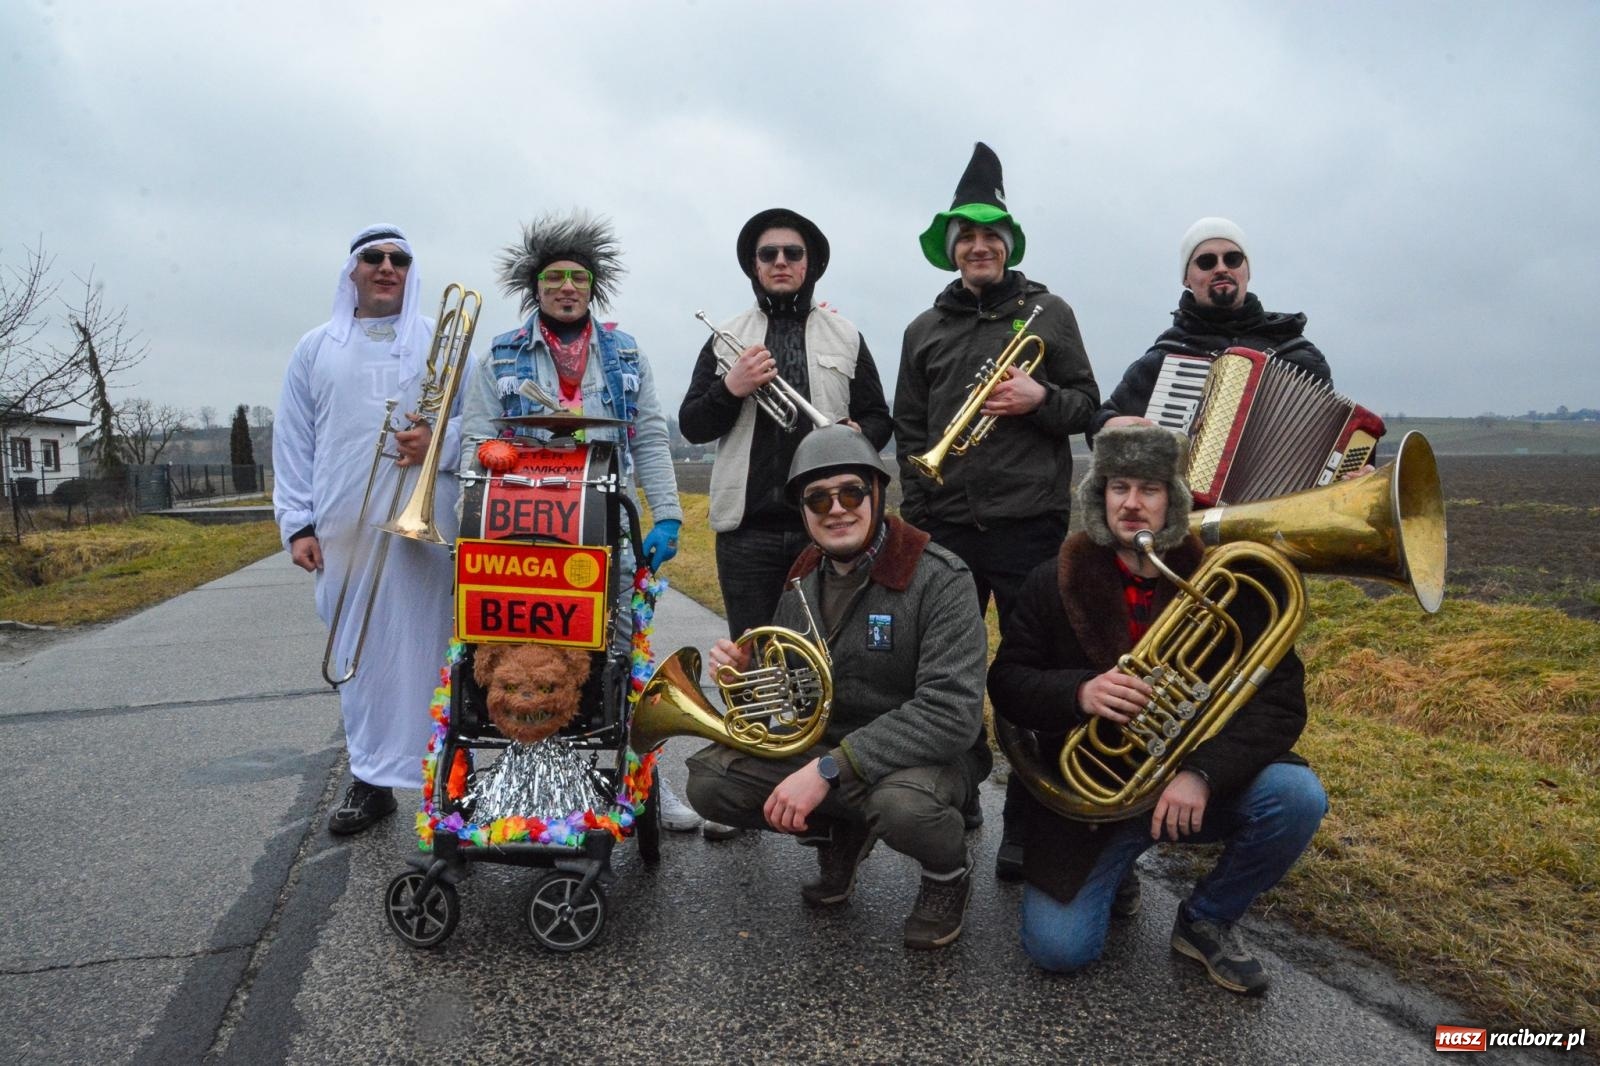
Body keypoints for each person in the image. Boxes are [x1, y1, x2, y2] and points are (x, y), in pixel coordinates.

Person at [987, 425, 1328, 994]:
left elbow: (1281, 704)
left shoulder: (1230, 580)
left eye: (1149, 488)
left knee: (1296, 798)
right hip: (1095, 801)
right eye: (1118, 487)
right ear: (1100, 496)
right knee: (1058, 951)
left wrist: (1203, 772)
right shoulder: (1054, 578)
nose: (1132, 503)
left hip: (1193, 790)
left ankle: (1207, 919)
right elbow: (1008, 682)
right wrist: (1080, 692)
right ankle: (1115, 868)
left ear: (1173, 499)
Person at [685, 425, 991, 950]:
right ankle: (840, 833)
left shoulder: (941, 577)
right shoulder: (802, 580)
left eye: (851, 493)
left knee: (903, 807)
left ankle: (946, 876)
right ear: (803, 511)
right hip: (833, 749)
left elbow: (950, 713)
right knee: (710, 781)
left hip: (926, 757)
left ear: (877, 494)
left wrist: (828, 770)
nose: (836, 510)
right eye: (817, 499)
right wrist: (748, 678)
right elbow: (798, 695)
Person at [893, 141, 1101, 880]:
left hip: (1029, 527)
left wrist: (1041, 399)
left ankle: (1026, 818)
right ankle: (958, 786)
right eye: (966, 237)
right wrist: (923, 507)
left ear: (1008, 244)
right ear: (951, 249)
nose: (979, 247)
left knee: (1030, 676)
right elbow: (909, 430)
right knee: (943, 671)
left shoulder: (1051, 312)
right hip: (947, 527)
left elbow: (1088, 407)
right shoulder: (923, 329)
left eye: (991, 235)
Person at [456, 211, 698, 831]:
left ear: (594, 287)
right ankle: (523, 780)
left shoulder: (625, 352)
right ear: (534, 287)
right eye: (554, 278)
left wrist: (667, 517)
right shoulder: (501, 354)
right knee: (528, 661)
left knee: (619, 658)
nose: (567, 287)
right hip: (521, 533)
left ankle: (642, 782)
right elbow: (476, 437)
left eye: (579, 278)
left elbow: (648, 438)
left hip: (606, 529)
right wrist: (487, 460)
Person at [274, 224, 459, 835]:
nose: (386, 268)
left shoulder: (439, 341)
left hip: (425, 523)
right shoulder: (315, 347)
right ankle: (370, 779)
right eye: (373, 258)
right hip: (342, 522)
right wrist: (296, 523)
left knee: (430, 648)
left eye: (399, 260)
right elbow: (293, 441)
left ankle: (445, 778)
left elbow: (478, 422)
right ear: (351, 270)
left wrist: (439, 443)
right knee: (357, 648)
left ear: (411, 271)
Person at [1090, 217, 1331, 440]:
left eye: (1232, 259)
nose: (1221, 268)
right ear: (1186, 278)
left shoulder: (1298, 356)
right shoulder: (1166, 357)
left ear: (1248, 270)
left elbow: (1333, 437)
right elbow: (1101, 424)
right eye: (1206, 262)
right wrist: (1109, 426)